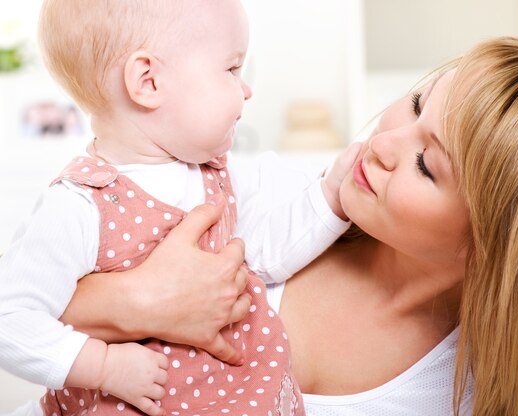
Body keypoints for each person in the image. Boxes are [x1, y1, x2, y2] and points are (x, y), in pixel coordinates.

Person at [51, 36, 518, 415]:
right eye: (418, 104)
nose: (382, 142)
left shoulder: (466, 399)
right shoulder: (266, 198)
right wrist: (133, 300)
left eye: (428, 164)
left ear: (497, 251)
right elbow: (22, 299)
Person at [0, 1, 359, 415]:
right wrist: (102, 366)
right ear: (148, 82)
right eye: (231, 69)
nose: (246, 89)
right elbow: (9, 316)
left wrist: (330, 198)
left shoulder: (216, 177)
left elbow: (265, 255)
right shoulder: (80, 204)